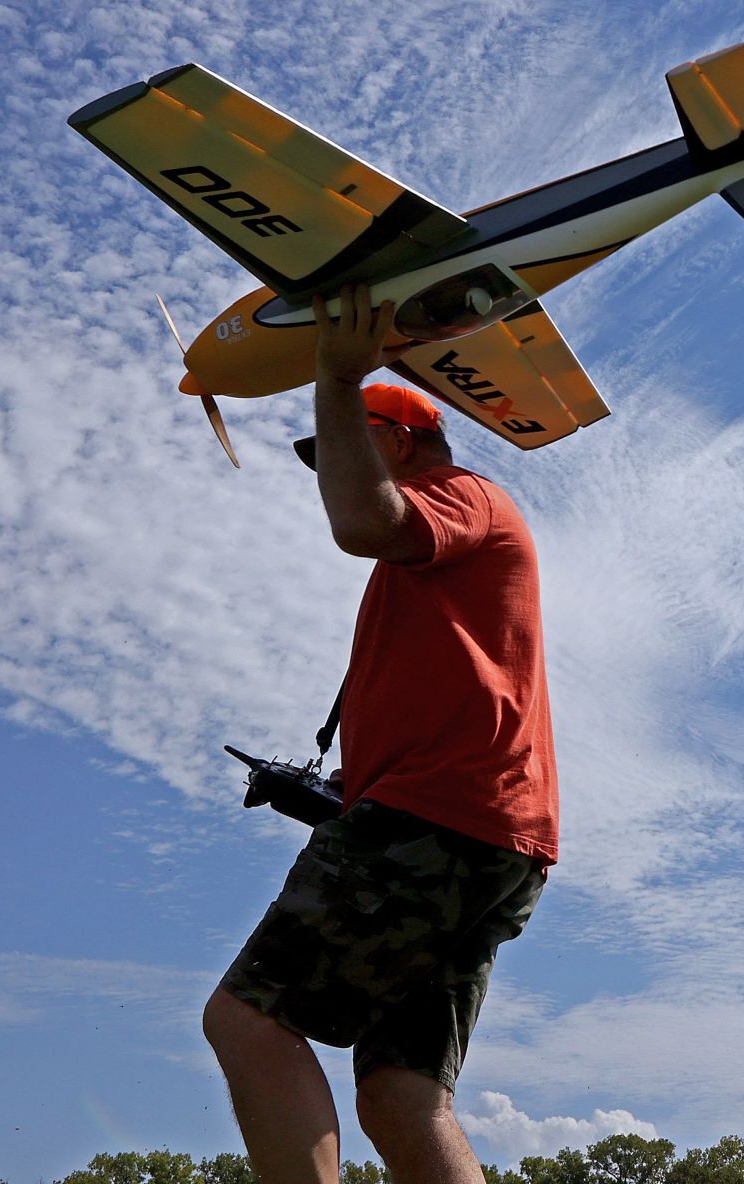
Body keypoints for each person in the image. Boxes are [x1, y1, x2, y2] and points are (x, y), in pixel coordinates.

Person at [202, 283, 558, 1184]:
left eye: (337, 444)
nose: (328, 469)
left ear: (394, 439)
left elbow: (361, 520)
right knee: (402, 1092)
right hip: (487, 835)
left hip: (434, 817)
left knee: (247, 1019)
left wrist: (333, 370)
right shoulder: (440, 549)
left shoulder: (461, 495)